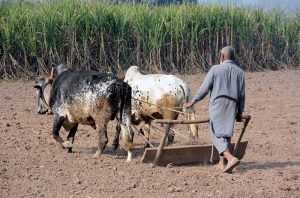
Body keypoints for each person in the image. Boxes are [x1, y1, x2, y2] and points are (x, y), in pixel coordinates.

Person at [185, 46, 245, 173]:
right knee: (226, 133)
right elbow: (242, 95)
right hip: (232, 105)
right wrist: (239, 112)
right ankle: (222, 163)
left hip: (218, 104)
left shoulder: (215, 69)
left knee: (215, 133)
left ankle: (230, 158)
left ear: (222, 56)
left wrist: (193, 101)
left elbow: (204, 89)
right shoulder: (240, 72)